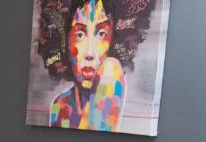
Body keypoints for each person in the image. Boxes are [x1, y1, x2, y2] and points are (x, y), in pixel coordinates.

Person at [36, 0, 157, 133]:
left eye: (101, 34)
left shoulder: (111, 72)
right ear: (66, 40)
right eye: (80, 35)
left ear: (113, 38)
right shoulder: (59, 106)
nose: (90, 53)